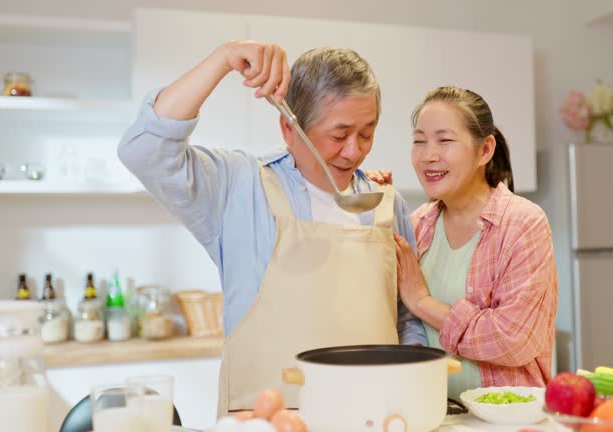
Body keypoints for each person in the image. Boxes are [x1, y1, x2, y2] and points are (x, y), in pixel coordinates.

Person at [117, 40, 427, 414]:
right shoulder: (238, 188)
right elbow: (144, 151)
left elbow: (405, 319)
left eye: (367, 132)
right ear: (288, 128)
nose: (355, 151)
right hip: (262, 419)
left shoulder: (387, 204)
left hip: (372, 416)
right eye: (339, 134)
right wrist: (223, 58)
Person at [369, 86, 558, 398]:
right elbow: (383, 313)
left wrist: (423, 303)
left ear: (484, 150)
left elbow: (514, 340)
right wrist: (374, 211)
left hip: (502, 420)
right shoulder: (417, 224)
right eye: (419, 141)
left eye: (444, 140)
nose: (428, 156)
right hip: (432, 413)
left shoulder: (523, 224)